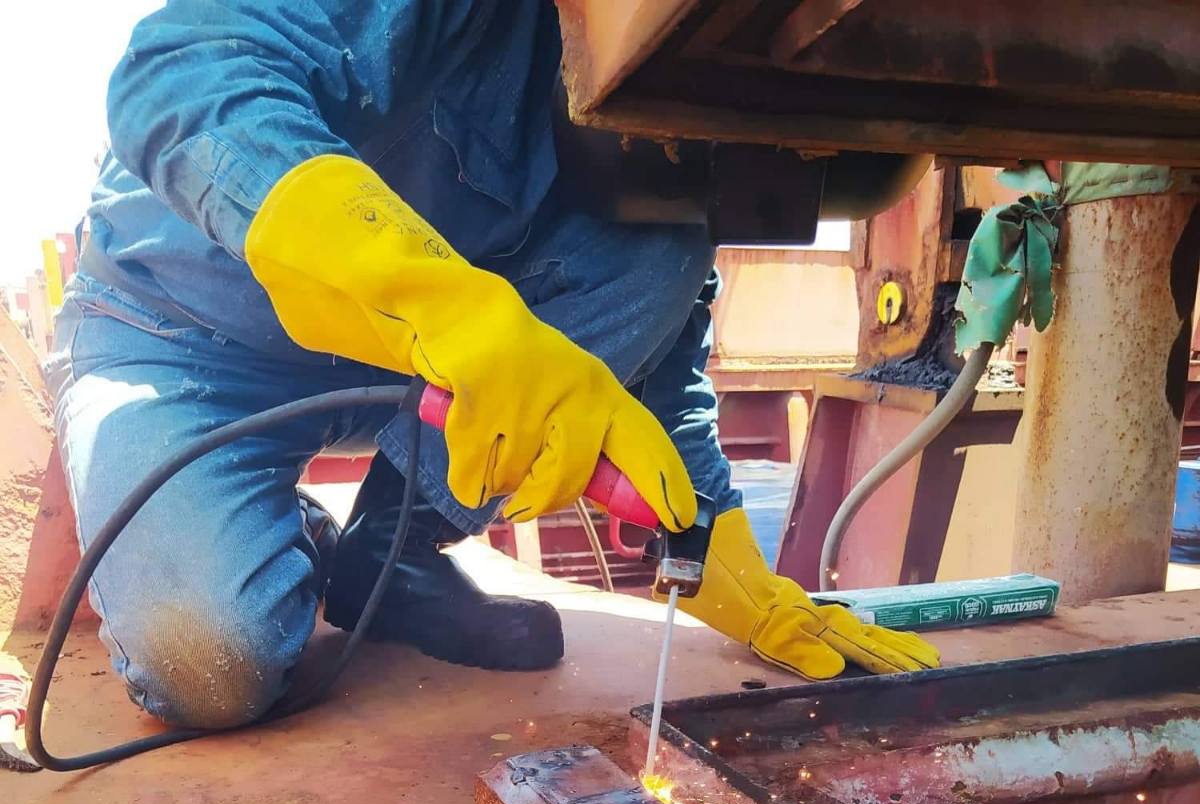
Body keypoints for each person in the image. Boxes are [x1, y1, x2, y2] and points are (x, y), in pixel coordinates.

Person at [46, 0, 938, 732]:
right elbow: (181, 74)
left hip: (419, 376)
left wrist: (713, 550)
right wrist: (433, 298)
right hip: (186, 339)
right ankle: (286, 529)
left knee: (664, 255)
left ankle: (391, 556)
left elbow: (650, 351)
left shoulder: (679, 126)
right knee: (210, 664)